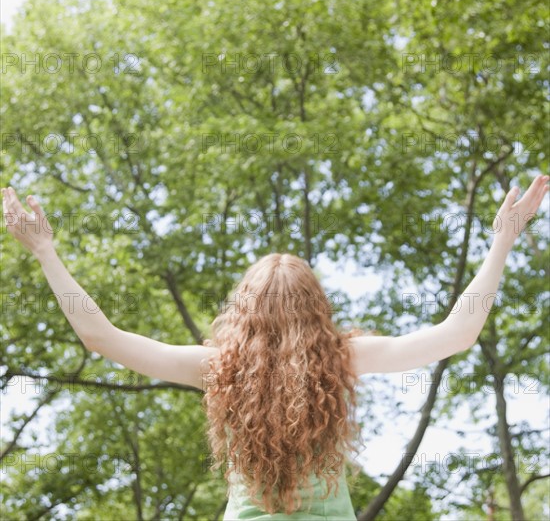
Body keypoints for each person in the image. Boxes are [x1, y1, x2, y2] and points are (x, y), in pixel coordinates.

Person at [2, 174, 548, 520]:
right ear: (317, 308)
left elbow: (101, 337)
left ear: (244, 312)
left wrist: (47, 252)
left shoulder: (219, 367)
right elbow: (458, 333)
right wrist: (502, 239)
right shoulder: (343, 359)